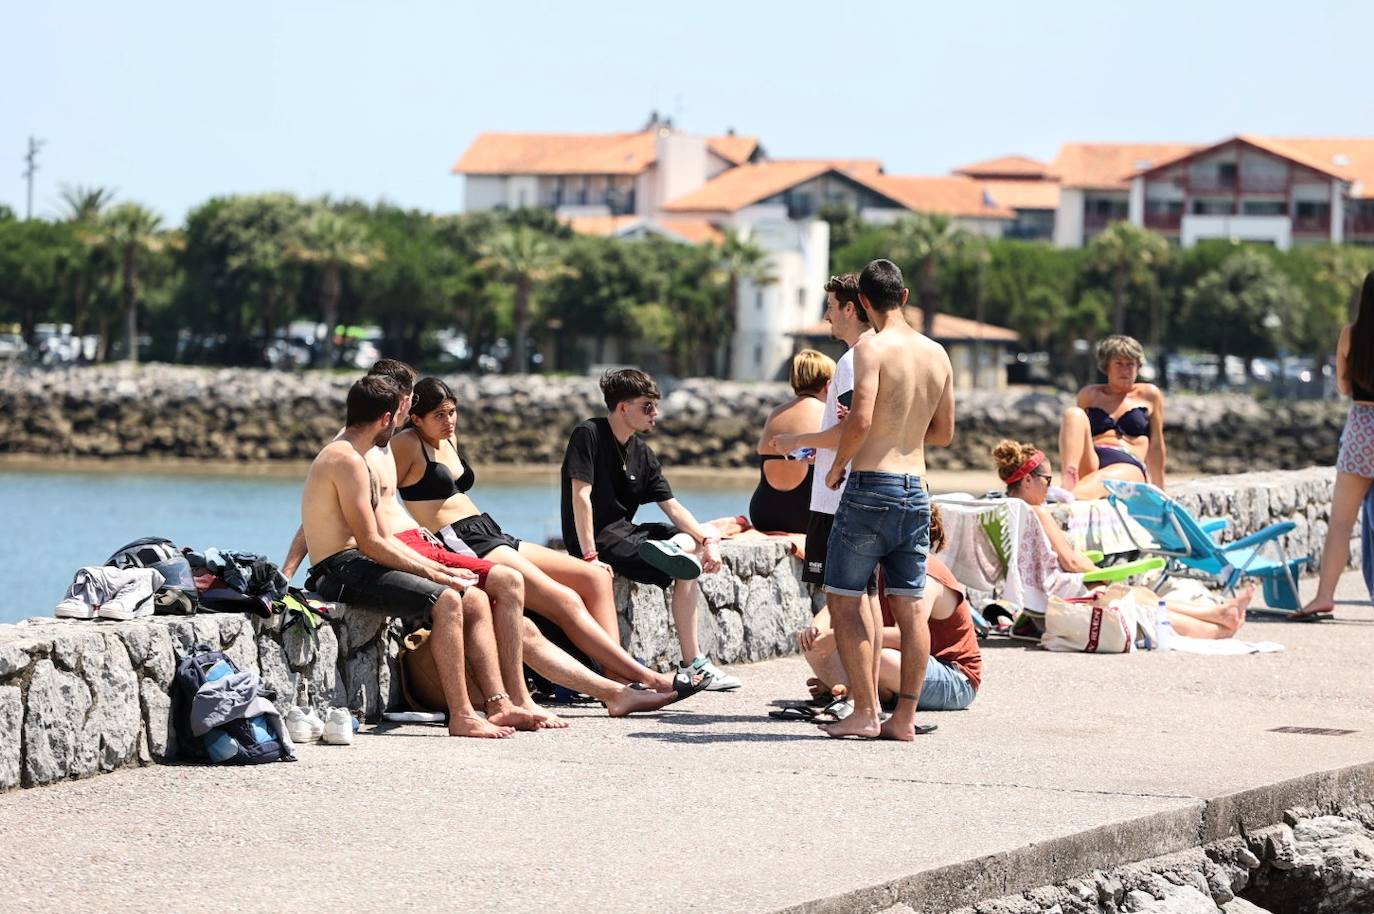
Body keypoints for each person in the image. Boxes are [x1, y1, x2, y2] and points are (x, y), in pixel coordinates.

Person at [284, 362, 558, 730]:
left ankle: (499, 704)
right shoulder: (346, 459)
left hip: (360, 561)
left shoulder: (360, 452)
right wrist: (439, 573)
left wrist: (444, 571)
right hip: (340, 569)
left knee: (473, 597)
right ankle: (461, 716)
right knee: (446, 598)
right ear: (386, 417)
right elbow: (371, 542)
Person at [392, 376, 705, 696]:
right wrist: (413, 541)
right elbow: (384, 497)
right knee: (564, 600)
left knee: (593, 578)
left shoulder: (448, 439)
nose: (449, 421)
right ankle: (637, 680)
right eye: (439, 416)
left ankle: (616, 671)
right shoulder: (406, 444)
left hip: (488, 530)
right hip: (459, 539)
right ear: (416, 419)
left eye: (453, 412)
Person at [821, 259, 956, 741]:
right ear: (903, 296)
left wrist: (838, 466)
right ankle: (904, 719)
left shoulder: (870, 347)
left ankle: (864, 711)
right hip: (916, 489)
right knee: (908, 605)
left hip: (871, 485)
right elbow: (943, 433)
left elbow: (858, 419)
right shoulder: (937, 353)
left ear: (862, 304)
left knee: (844, 598)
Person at [560, 368, 743, 691]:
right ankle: (694, 661)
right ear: (622, 408)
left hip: (627, 533)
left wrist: (708, 541)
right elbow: (580, 496)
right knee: (686, 557)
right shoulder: (588, 434)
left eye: (655, 407)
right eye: (647, 407)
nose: (654, 414)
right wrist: (589, 556)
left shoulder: (642, 452)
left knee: (689, 552)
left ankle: (694, 664)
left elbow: (672, 506)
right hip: (598, 539)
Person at [994, 438, 1249, 638]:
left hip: (1037, 594)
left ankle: (1216, 614)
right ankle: (1218, 629)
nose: (1050, 486)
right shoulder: (1036, 511)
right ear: (1028, 480)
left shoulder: (1005, 509)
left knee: (1139, 594)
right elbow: (1070, 561)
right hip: (1059, 593)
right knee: (1137, 600)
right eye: (1047, 480)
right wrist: (1101, 574)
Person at [799, 505, 980, 713]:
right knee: (812, 643)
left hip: (954, 679)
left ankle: (851, 689)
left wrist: (837, 637)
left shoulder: (925, 575)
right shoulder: (875, 568)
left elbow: (906, 637)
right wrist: (816, 632)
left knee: (881, 658)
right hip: (899, 666)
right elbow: (833, 612)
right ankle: (858, 690)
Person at [770, 274, 875, 600]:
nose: (827, 316)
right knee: (865, 594)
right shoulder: (878, 356)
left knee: (843, 599)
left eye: (830, 307)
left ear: (849, 309)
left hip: (837, 499)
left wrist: (797, 441)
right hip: (863, 490)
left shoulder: (851, 362)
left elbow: (852, 427)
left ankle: (852, 655)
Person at [1296, 271, 1374, 619]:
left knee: (1341, 522)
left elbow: (1344, 387)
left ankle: (1325, 595)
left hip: (1361, 426)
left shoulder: (1350, 335)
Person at [1058, 335, 1167, 499]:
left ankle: (1068, 495)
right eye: (1119, 364)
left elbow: (1156, 446)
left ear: (1138, 366)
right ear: (1107, 366)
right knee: (1073, 414)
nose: (1125, 370)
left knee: (1103, 480)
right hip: (1092, 458)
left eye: (1130, 364)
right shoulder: (1089, 395)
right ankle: (1069, 475)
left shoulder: (1149, 395)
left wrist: (1161, 490)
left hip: (1128, 463)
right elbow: (1078, 436)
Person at [748, 349, 835, 534]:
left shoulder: (775, 413)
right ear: (828, 385)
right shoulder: (827, 414)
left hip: (763, 513)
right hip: (806, 515)